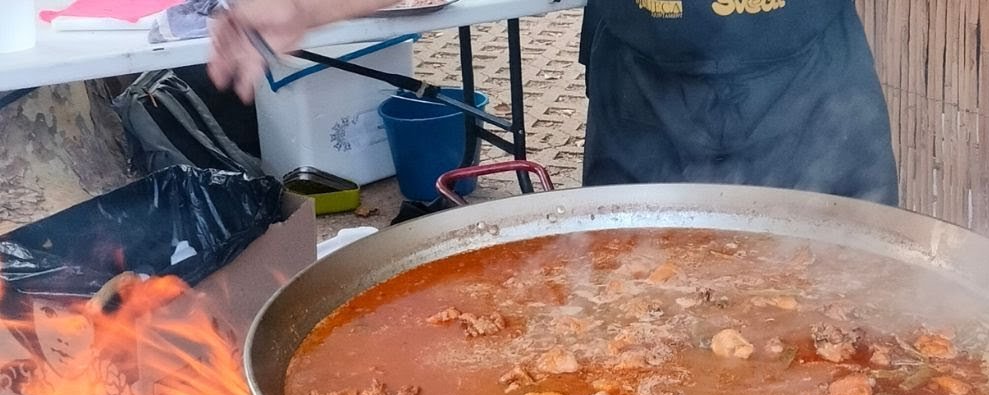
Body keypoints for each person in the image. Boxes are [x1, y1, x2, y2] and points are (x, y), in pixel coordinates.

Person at [209, 0, 898, 204]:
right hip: (643, 93)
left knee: (851, 312)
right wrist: (305, 5)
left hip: (811, 91)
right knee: (633, 320)